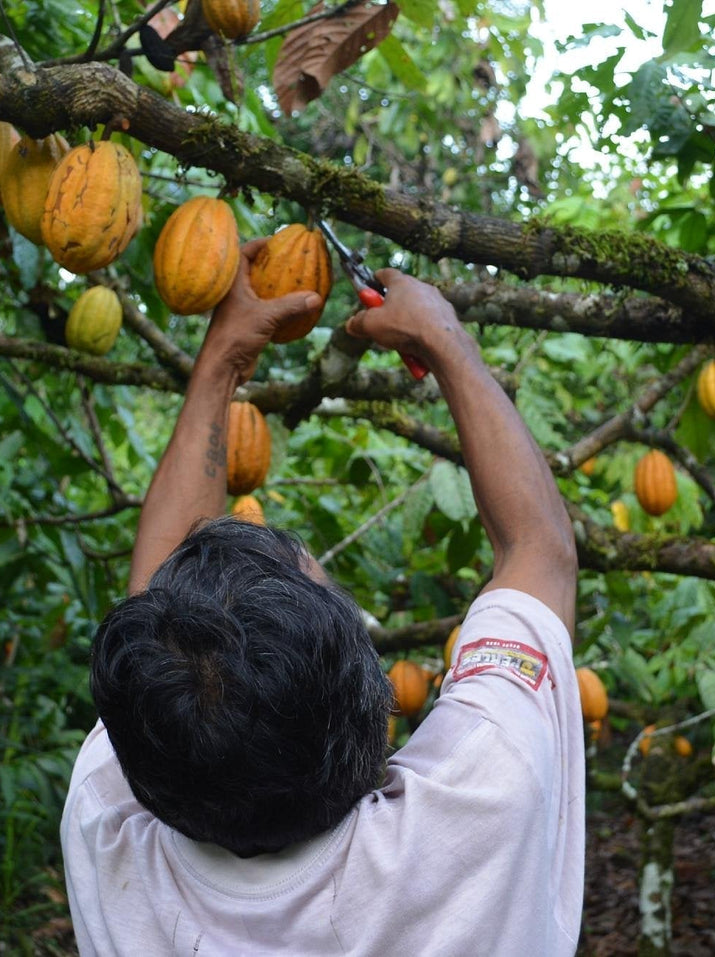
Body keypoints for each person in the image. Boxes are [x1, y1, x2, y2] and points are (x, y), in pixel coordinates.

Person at [60, 237, 584, 955]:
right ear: (368, 701)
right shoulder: (481, 799)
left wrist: (221, 360)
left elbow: (167, 613)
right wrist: (443, 335)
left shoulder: (108, 831)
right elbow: (539, 547)